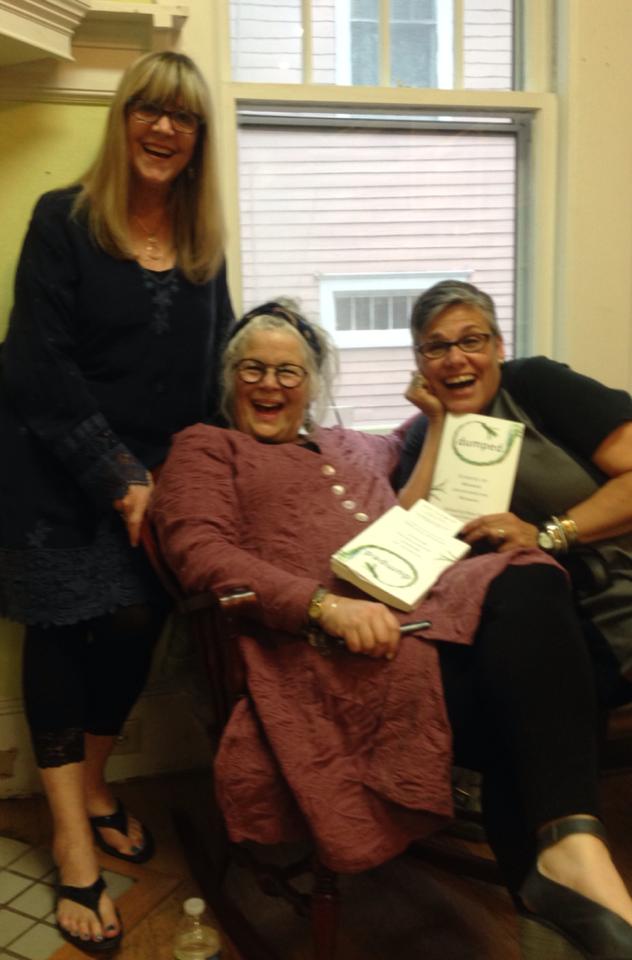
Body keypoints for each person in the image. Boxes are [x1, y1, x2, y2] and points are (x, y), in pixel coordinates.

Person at [151, 300, 632, 959]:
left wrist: (438, 413)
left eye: (289, 373)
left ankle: (569, 858)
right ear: (229, 377)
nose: (270, 385)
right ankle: (558, 888)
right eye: (253, 369)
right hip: (319, 650)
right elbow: (202, 553)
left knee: (529, 569)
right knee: (523, 697)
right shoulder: (206, 448)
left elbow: (406, 504)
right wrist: (324, 606)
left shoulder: (350, 445)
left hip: (422, 617)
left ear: (313, 384)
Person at [0, 51, 233, 951]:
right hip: (45, 469)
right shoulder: (62, 219)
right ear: (124, 118)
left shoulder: (205, 246)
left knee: (136, 621)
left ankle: (95, 783)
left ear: (199, 138)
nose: (165, 128)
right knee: (60, 632)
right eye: (149, 109)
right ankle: (70, 835)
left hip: (158, 477)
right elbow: (36, 366)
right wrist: (119, 475)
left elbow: (213, 375)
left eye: (184, 117)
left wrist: (193, 476)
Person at [395, 278, 632, 957]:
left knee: (518, 699)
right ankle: (566, 895)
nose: (454, 359)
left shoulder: (538, 387)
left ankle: (554, 905)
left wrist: (549, 532)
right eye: (434, 347)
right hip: (518, 627)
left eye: (471, 339)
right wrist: (438, 428)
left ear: (499, 345)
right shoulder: (423, 439)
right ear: (418, 363)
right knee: (506, 688)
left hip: (607, 599)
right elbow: (404, 551)